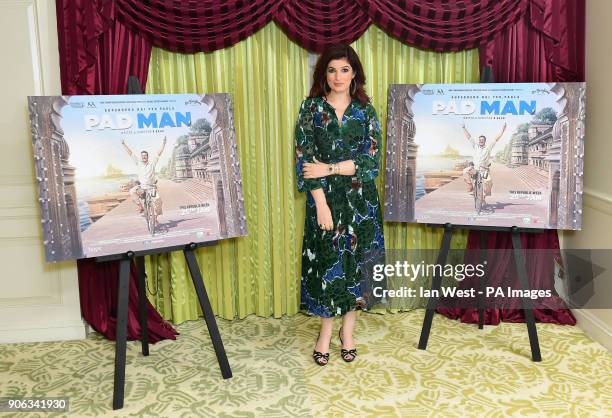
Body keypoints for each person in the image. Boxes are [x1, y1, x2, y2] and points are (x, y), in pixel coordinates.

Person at [294, 44, 385, 366]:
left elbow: (370, 163)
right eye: (331, 70)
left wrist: (330, 167)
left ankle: (348, 334)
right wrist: (320, 204)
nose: (338, 76)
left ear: (354, 73)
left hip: (362, 204)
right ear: (324, 74)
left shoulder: (366, 111)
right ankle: (324, 335)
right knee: (328, 269)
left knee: (357, 268)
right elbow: (305, 162)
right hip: (325, 202)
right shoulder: (311, 109)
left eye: (344, 70)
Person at [121, 137, 166, 222]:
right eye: (143, 156)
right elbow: (130, 153)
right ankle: (140, 206)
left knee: (158, 201)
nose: (144, 157)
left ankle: (155, 217)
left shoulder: (152, 163)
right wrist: (124, 144)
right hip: (142, 187)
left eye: (145, 156)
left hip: (151, 187)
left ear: (148, 157)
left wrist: (163, 143)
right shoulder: (138, 163)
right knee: (132, 191)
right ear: (141, 157)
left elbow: (159, 153)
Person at [461, 123, 506, 205]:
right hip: (475, 169)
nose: (481, 141)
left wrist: (502, 130)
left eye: (482, 140)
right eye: (480, 140)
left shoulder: (488, 147)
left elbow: (496, 139)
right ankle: (470, 185)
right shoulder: (475, 146)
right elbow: (469, 137)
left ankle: (483, 197)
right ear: (479, 141)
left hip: (484, 170)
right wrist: (464, 128)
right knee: (465, 171)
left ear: (485, 141)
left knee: (489, 182)